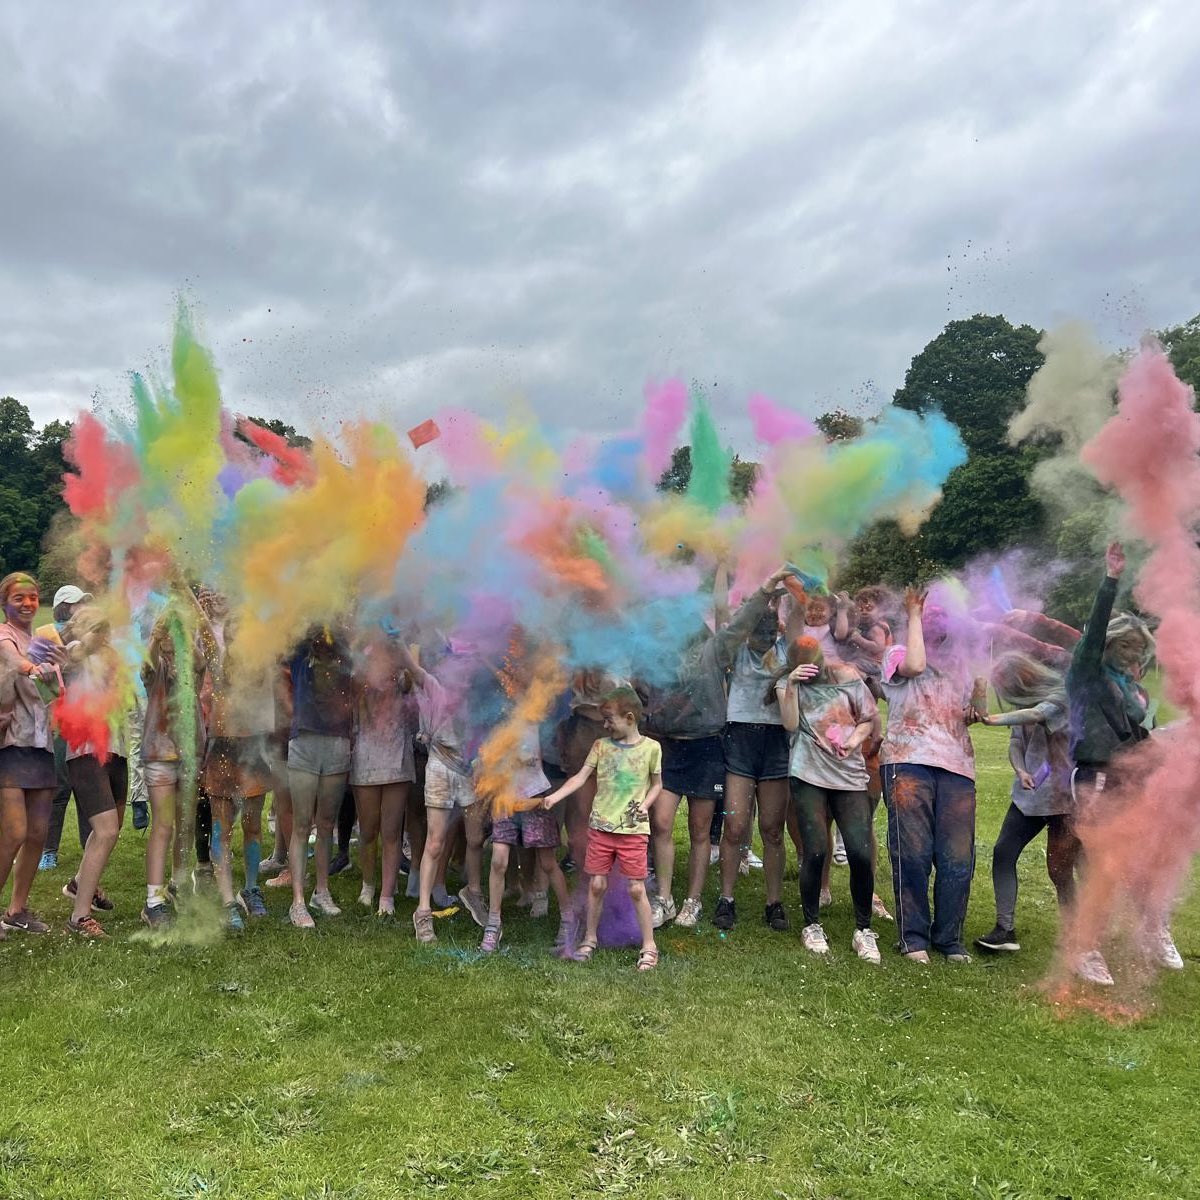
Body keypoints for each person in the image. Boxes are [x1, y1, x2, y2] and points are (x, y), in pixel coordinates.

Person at [1065, 543, 1178, 982]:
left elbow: (1140, 737)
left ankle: (1151, 929)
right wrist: (1111, 580)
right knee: (1098, 861)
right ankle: (1084, 948)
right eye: (1126, 648)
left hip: (1129, 782)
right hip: (1094, 778)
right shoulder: (1087, 674)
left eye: (1138, 651)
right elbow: (1091, 635)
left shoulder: (1133, 692)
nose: (1134, 658)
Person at [642, 568, 775, 929]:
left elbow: (740, 623)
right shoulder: (652, 659)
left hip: (706, 748)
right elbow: (638, 702)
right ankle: (665, 899)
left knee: (701, 829)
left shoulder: (714, 650)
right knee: (662, 821)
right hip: (670, 751)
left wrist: (763, 588)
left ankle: (693, 901)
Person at [881, 587, 980, 964]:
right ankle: (913, 937)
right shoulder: (897, 654)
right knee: (913, 853)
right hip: (908, 760)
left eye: (944, 620)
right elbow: (917, 666)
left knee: (957, 858)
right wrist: (914, 617)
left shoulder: (961, 668)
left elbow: (967, 709)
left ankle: (949, 938)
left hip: (957, 766)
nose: (940, 626)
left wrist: (973, 710)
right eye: (930, 619)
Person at [772, 636, 881, 962]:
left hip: (848, 777)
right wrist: (791, 683)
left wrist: (852, 742)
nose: (814, 671)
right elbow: (791, 724)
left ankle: (863, 929)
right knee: (815, 849)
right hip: (808, 775)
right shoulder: (788, 684)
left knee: (860, 851)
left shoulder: (848, 678)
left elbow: (868, 719)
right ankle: (812, 924)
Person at [543, 687, 663, 970]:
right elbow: (580, 777)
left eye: (609, 719)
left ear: (630, 717)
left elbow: (657, 785)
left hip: (633, 831)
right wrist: (555, 796)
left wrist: (644, 805)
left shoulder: (651, 749)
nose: (604, 725)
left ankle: (650, 946)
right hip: (601, 828)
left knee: (636, 888)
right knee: (596, 884)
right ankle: (590, 939)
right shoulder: (601, 746)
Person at [975, 652, 1078, 955]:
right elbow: (1016, 744)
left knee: (1061, 870)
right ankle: (1005, 929)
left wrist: (990, 719)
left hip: (1064, 798)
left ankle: (1079, 936)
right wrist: (1020, 770)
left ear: (1022, 680)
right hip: (1031, 796)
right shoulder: (1024, 704)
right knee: (1003, 852)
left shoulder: (1062, 695)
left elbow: (1037, 715)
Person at [713, 566, 794, 932]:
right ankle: (726, 899)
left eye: (769, 626)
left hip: (776, 741)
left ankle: (773, 902)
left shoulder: (787, 650)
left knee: (773, 829)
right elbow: (723, 617)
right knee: (735, 826)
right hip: (741, 740)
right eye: (756, 627)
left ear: (777, 627)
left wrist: (792, 583)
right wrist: (761, 586)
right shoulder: (737, 651)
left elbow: (801, 617)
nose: (762, 633)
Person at [399, 640, 488, 944]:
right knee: (435, 842)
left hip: (470, 771)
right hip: (440, 767)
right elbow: (413, 668)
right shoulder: (435, 687)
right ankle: (423, 913)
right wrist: (400, 640)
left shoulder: (476, 696)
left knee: (475, 838)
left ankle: (473, 893)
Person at [140, 597, 213, 929]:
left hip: (190, 752)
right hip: (160, 753)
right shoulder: (155, 665)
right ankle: (153, 901)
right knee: (164, 826)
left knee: (185, 823)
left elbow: (203, 656)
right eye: (170, 631)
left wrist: (191, 614)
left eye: (179, 631)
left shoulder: (193, 662)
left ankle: (179, 885)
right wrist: (156, 639)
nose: (174, 638)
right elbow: (146, 664)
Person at [0, 572, 67, 935]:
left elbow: (56, 684)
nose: (27, 603)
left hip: (41, 743)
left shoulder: (38, 638)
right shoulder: (5, 636)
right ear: (5, 603)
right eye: (18, 597)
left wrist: (63, 663)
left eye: (32, 597)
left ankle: (17, 909)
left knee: (38, 833)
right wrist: (34, 667)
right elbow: (13, 661)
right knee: (14, 831)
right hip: (10, 744)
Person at [202, 608, 276, 930]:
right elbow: (205, 632)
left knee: (253, 825)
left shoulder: (261, 667)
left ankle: (251, 888)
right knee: (222, 829)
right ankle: (228, 899)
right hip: (222, 752)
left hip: (253, 750)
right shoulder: (217, 665)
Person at [58, 605, 128, 937]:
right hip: (85, 751)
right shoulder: (75, 650)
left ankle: (79, 884)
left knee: (112, 829)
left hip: (117, 749)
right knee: (106, 830)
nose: (103, 631)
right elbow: (74, 652)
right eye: (95, 625)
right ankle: (79, 917)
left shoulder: (112, 655)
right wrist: (87, 632)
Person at [285, 626, 354, 928]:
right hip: (305, 741)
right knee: (302, 824)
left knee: (327, 824)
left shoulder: (346, 647)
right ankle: (297, 902)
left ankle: (321, 892)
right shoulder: (301, 648)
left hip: (338, 740)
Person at [481, 720, 571, 952]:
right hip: (505, 801)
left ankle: (568, 920)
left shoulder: (532, 721)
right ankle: (493, 923)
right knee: (498, 860)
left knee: (548, 863)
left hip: (533, 798)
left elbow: (532, 759)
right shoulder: (494, 722)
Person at [350, 628, 416, 916]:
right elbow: (352, 688)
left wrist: (400, 650)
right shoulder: (361, 663)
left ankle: (386, 896)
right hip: (366, 754)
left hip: (396, 754)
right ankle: (368, 884)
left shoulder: (403, 670)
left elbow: (413, 686)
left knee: (391, 831)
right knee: (367, 830)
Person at [38, 584, 94, 871]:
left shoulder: (90, 637)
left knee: (88, 785)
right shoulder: (47, 635)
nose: (80, 607)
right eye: (75, 604)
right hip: (59, 722)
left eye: (83, 602)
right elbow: (42, 677)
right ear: (62, 606)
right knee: (59, 786)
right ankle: (49, 850)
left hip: (86, 720)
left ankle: (90, 848)